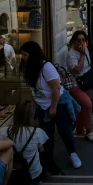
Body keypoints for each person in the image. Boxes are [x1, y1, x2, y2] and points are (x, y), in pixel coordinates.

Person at [21, 41, 81, 171]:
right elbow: (33, 89)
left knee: (64, 130)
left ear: (33, 55)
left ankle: (73, 154)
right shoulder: (29, 68)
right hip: (42, 105)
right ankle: (48, 160)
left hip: (58, 102)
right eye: (22, 54)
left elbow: (56, 88)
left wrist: (53, 108)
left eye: (25, 54)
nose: (23, 57)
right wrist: (35, 104)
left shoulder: (46, 67)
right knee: (46, 134)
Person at [66, 31, 93, 142]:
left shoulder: (86, 49)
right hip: (76, 83)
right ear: (73, 41)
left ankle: (80, 128)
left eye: (83, 40)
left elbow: (87, 66)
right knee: (88, 104)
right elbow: (77, 70)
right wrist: (83, 55)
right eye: (78, 40)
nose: (81, 42)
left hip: (86, 82)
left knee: (83, 106)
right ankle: (89, 131)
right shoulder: (71, 54)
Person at [8, 99, 48, 185]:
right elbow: (42, 152)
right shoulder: (38, 132)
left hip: (13, 175)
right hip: (34, 176)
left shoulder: (4, 132)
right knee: (43, 154)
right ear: (33, 116)